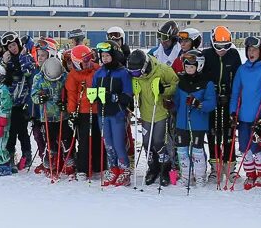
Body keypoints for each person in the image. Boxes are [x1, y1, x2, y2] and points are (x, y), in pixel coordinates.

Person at [229, 36, 261, 189]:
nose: (251, 53)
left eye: (254, 49)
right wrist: (233, 112)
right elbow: (235, 92)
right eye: (249, 50)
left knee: (256, 147)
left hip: (258, 116)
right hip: (243, 116)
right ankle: (250, 174)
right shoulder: (242, 69)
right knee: (243, 147)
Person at [128, 48, 178, 186]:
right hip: (145, 113)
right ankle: (153, 168)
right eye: (133, 73)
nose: (136, 75)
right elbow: (132, 86)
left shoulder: (162, 70)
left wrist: (164, 90)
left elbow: (176, 84)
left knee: (158, 142)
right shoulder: (137, 76)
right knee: (146, 143)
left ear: (145, 66)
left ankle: (165, 169)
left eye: (138, 72)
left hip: (161, 112)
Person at [91, 42, 133, 186]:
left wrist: (114, 97)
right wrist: (93, 95)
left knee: (118, 143)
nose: (105, 58)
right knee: (107, 143)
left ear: (114, 56)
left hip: (117, 113)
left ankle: (125, 170)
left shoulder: (123, 72)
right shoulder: (99, 73)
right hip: (102, 113)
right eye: (102, 56)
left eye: (107, 55)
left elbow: (128, 94)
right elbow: (93, 89)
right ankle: (113, 168)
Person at [203, 26, 242, 180]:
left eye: (226, 46)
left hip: (228, 99)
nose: (222, 50)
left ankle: (230, 165)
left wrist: (232, 95)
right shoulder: (206, 55)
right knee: (212, 133)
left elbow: (238, 77)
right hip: (212, 99)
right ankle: (214, 166)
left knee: (229, 133)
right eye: (218, 46)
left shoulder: (233, 55)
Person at [172, 50, 216, 187]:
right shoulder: (181, 82)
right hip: (182, 122)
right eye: (187, 67)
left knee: (197, 149)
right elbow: (177, 102)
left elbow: (211, 103)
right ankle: (186, 176)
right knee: (182, 149)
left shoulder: (206, 82)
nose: (189, 69)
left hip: (198, 123)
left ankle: (200, 176)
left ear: (199, 66)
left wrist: (198, 104)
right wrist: (170, 105)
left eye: (192, 67)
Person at [65, 44, 103, 179]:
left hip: (98, 109)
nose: (88, 63)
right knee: (85, 140)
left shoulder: (97, 69)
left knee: (98, 138)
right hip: (83, 112)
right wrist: (72, 112)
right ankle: (83, 168)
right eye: (84, 61)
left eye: (89, 60)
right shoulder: (73, 76)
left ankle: (100, 166)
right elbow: (72, 95)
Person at [31, 53, 71, 175]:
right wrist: (39, 99)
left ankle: (69, 161)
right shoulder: (39, 78)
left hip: (62, 116)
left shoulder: (65, 77)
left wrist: (66, 104)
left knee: (66, 138)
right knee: (50, 140)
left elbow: (70, 93)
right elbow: (34, 95)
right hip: (47, 116)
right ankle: (50, 162)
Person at [2, 31, 36, 169]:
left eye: (14, 45)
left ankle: (26, 155)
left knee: (22, 131)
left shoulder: (26, 57)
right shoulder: (7, 60)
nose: (13, 49)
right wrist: (4, 62)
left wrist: (22, 57)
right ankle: (10, 154)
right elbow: (0, 75)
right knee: (10, 131)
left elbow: (28, 72)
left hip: (22, 102)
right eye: (10, 47)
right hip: (9, 102)